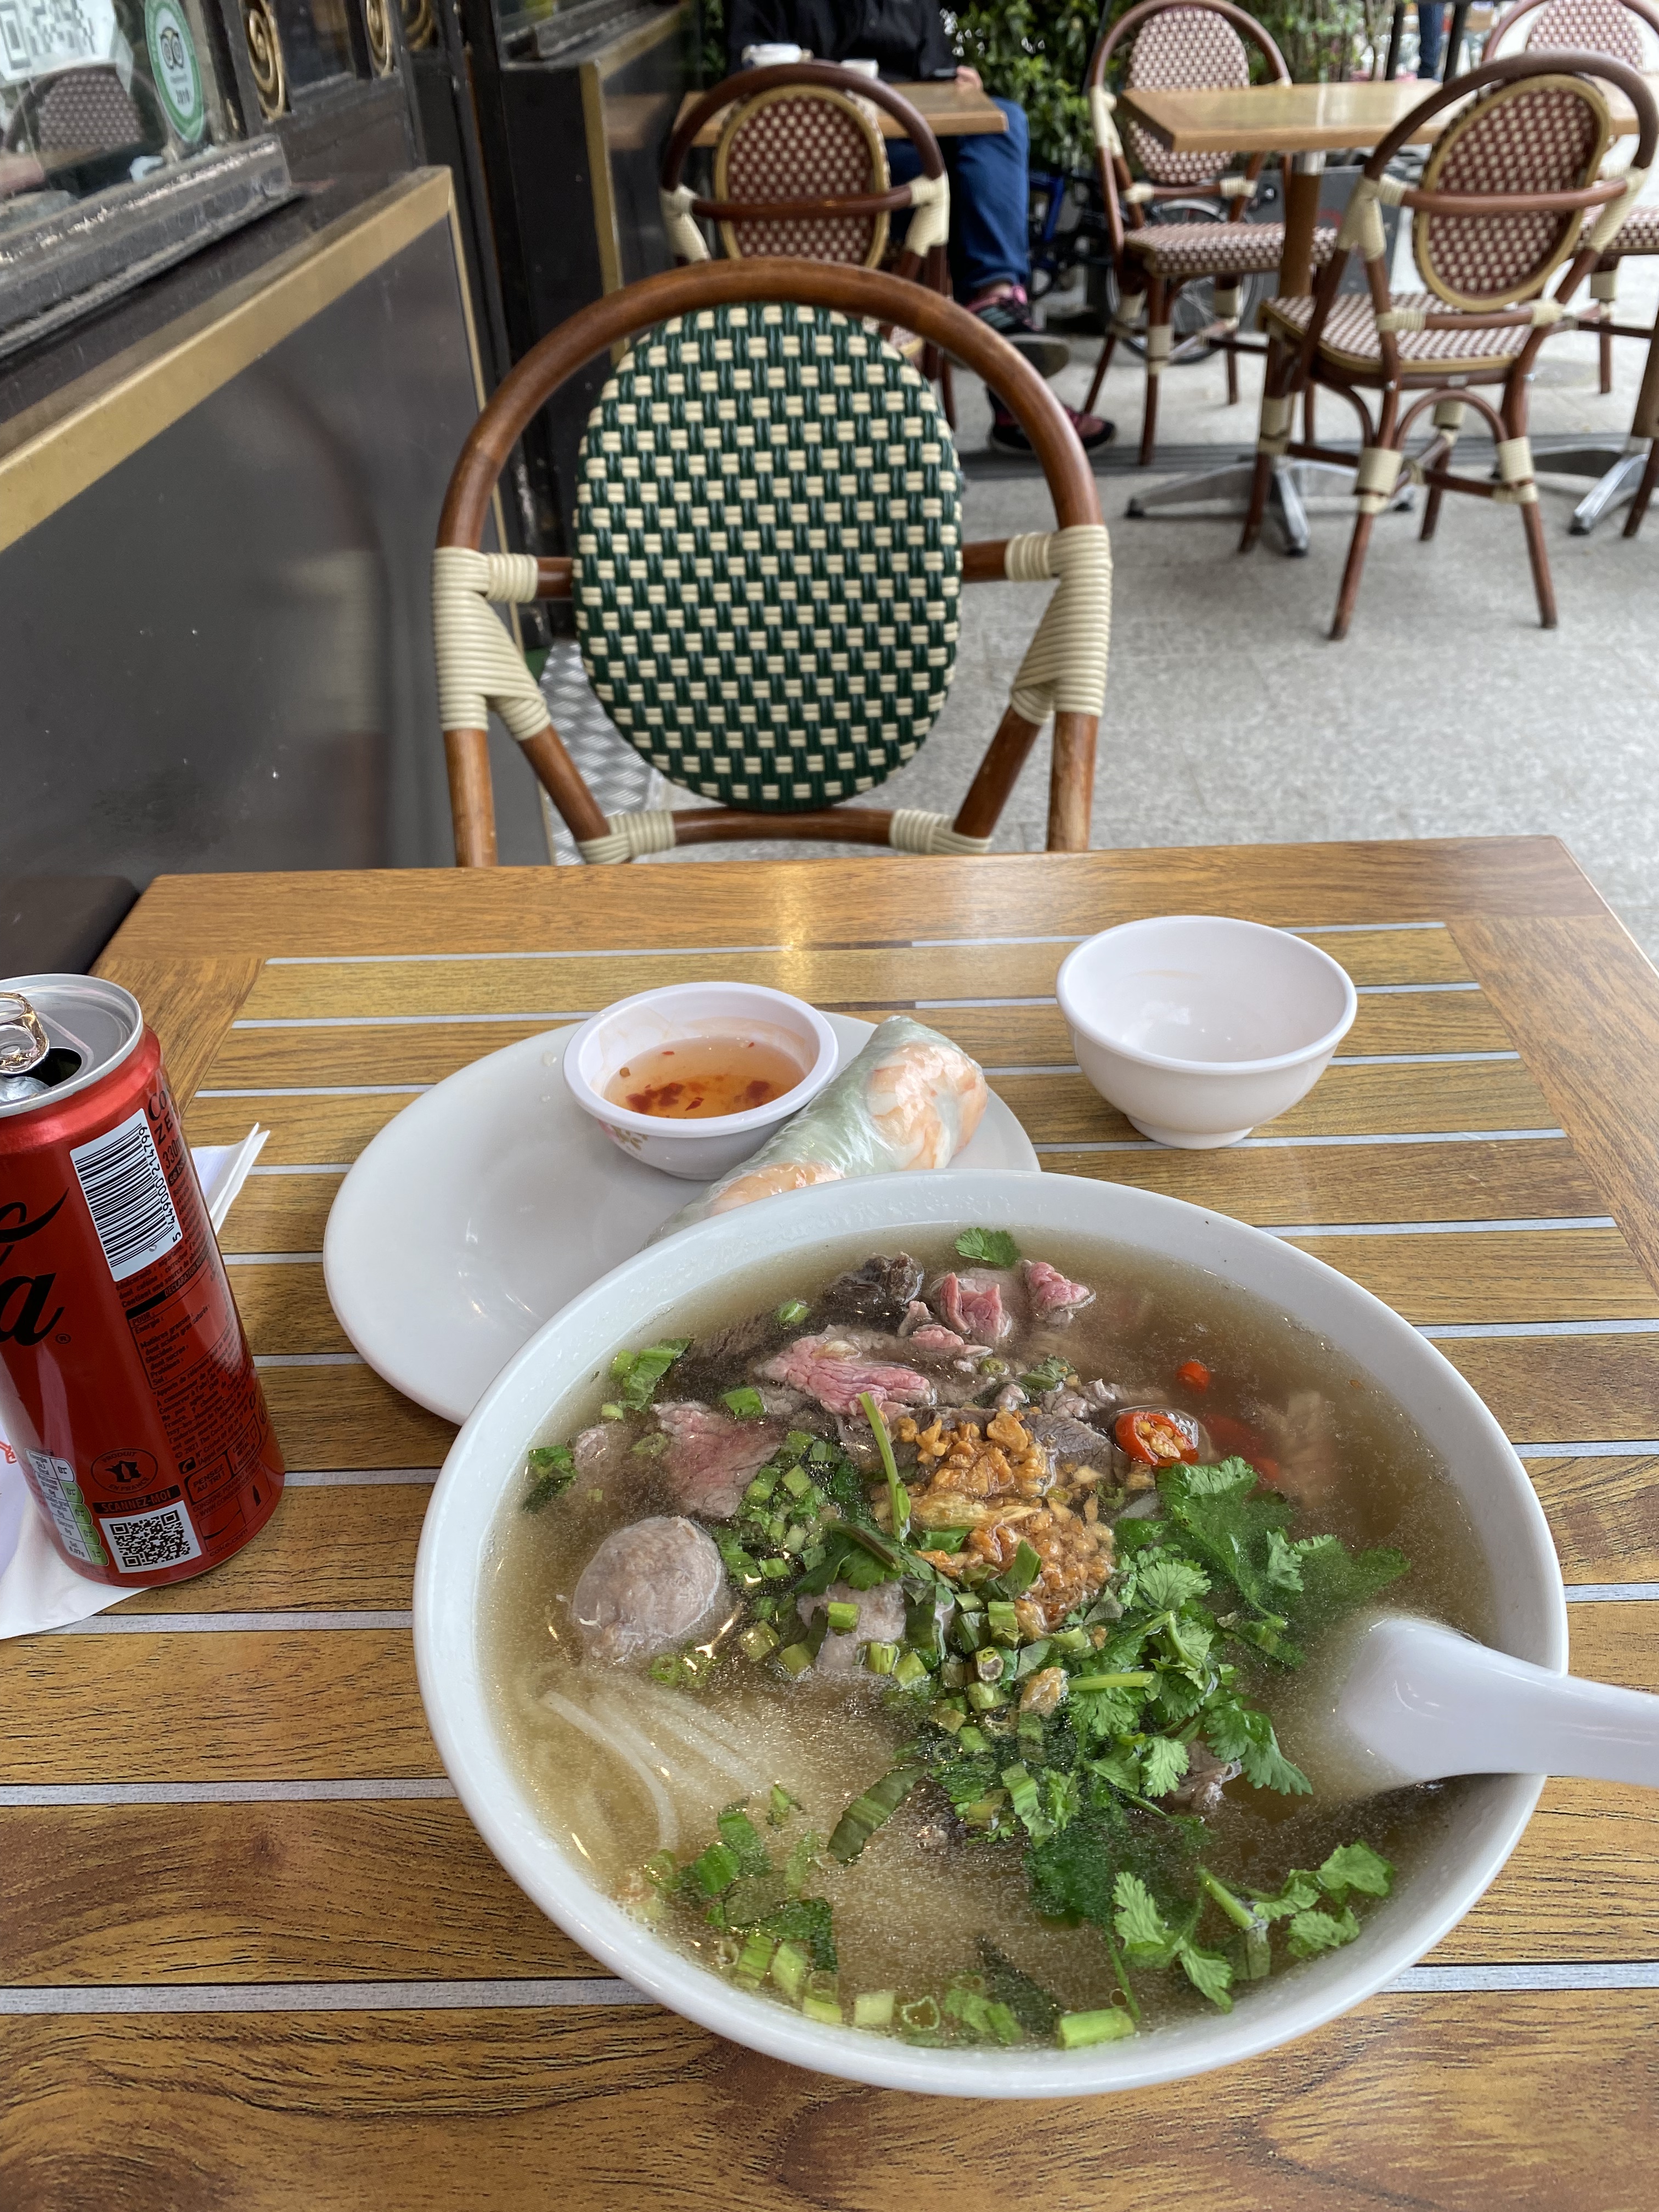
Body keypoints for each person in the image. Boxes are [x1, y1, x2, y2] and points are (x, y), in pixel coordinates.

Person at [721, 0, 1114, 451]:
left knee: (1002, 124)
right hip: (814, 177)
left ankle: (996, 301)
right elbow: (742, 77)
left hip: (908, 161)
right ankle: (1015, 393)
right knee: (969, 197)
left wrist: (959, 89)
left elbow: (936, 74)